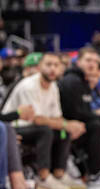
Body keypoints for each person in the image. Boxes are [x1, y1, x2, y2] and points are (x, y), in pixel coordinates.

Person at [1, 53, 86, 189]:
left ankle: (59, 173)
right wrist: (66, 124)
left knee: (64, 132)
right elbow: (37, 119)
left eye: (56, 65)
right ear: (40, 66)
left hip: (34, 128)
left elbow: (56, 117)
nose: (52, 69)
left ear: (61, 68)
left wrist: (70, 126)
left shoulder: (53, 86)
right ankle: (44, 177)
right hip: (14, 127)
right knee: (45, 130)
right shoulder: (29, 86)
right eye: (48, 64)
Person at [58, 47, 100, 184]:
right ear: (78, 61)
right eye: (88, 60)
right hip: (65, 126)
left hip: (79, 123)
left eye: (95, 61)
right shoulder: (71, 80)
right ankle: (95, 174)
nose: (92, 64)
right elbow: (74, 112)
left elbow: (84, 111)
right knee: (97, 124)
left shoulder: (83, 81)